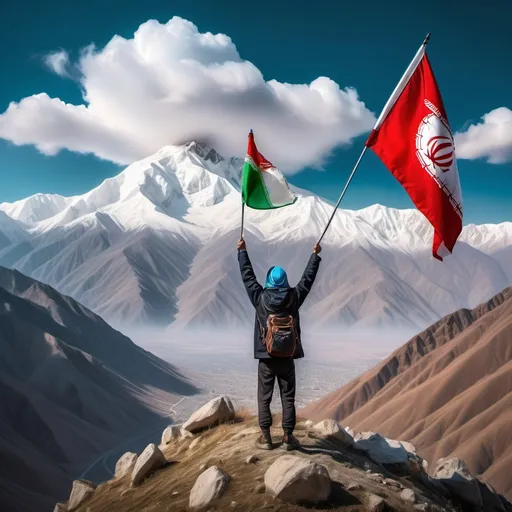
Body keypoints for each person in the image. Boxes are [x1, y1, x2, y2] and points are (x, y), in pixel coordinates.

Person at [237, 238, 322, 450]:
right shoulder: (294, 296)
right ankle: (287, 437)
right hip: (287, 357)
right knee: (288, 397)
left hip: (266, 357)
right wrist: (315, 255)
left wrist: (242, 252)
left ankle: (265, 437)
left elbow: (247, 277)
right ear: (284, 281)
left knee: (264, 397)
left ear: (268, 281)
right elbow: (307, 280)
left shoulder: (260, 297)